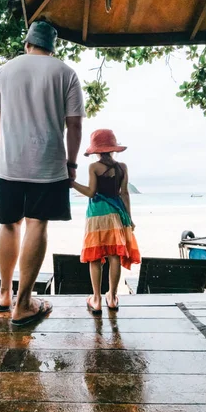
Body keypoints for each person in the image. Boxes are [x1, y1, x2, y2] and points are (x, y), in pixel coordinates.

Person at [0, 20, 84, 326]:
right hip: (48, 163)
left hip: (9, 162)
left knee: (9, 223)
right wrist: (71, 163)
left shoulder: (5, 71)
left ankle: (4, 293)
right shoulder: (65, 73)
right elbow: (75, 124)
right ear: (53, 47)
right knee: (37, 224)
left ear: (27, 43)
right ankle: (24, 303)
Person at [71, 129, 141, 314]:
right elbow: (124, 193)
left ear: (96, 150)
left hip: (96, 215)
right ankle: (112, 296)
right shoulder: (122, 167)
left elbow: (91, 193)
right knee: (114, 255)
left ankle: (96, 299)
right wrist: (129, 218)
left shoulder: (94, 167)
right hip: (117, 214)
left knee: (95, 257)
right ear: (113, 148)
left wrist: (72, 184)